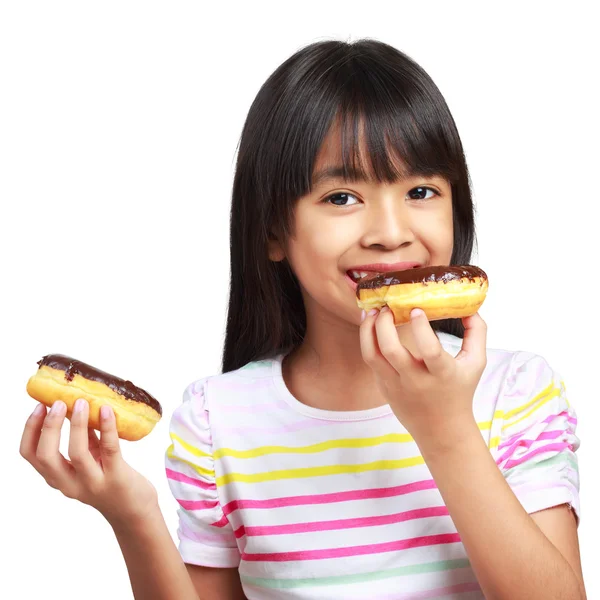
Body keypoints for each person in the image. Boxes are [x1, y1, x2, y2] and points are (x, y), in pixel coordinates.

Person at [20, 39, 586, 600]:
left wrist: (446, 431)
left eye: (420, 190)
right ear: (272, 231)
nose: (390, 232)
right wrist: (133, 514)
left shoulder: (516, 394)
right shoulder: (218, 423)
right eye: (341, 197)